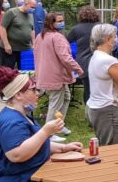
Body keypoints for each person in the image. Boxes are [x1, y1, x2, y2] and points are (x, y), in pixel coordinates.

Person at [0, 67, 80, 182]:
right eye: (33, 90)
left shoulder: (23, 115)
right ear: (18, 95)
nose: (37, 94)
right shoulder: (11, 122)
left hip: (24, 180)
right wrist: (45, 132)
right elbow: (17, 155)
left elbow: (35, 144)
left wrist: (64, 148)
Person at [34, 12, 83, 142]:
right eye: (59, 21)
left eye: (62, 20)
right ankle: (49, 133)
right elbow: (65, 57)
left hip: (45, 73)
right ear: (51, 23)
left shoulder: (40, 36)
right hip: (55, 75)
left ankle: (58, 125)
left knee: (66, 97)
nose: (62, 23)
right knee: (55, 103)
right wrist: (78, 69)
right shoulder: (57, 37)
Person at [86, 24, 118, 145]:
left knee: (104, 146)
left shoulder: (95, 56)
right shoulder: (109, 60)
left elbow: (106, 85)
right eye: (114, 37)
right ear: (107, 39)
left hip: (95, 107)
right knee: (113, 151)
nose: (116, 39)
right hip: (108, 110)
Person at [66, 5, 101, 106]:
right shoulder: (101, 26)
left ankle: (89, 111)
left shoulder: (76, 29)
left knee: (88, 88)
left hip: (83, 61)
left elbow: (65, 42)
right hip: (99, 60)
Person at [0, 0, 36, 70]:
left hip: (25, 48)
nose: (33, 9)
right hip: (10, 48)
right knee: (7, 71)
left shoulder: (30, 15)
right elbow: (2, 28)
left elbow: (31, 29)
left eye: (35, 8)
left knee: (26, 71)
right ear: (26, 3)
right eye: (32, 7)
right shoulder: (11, 12)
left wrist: (34, 43)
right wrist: (6, 44)